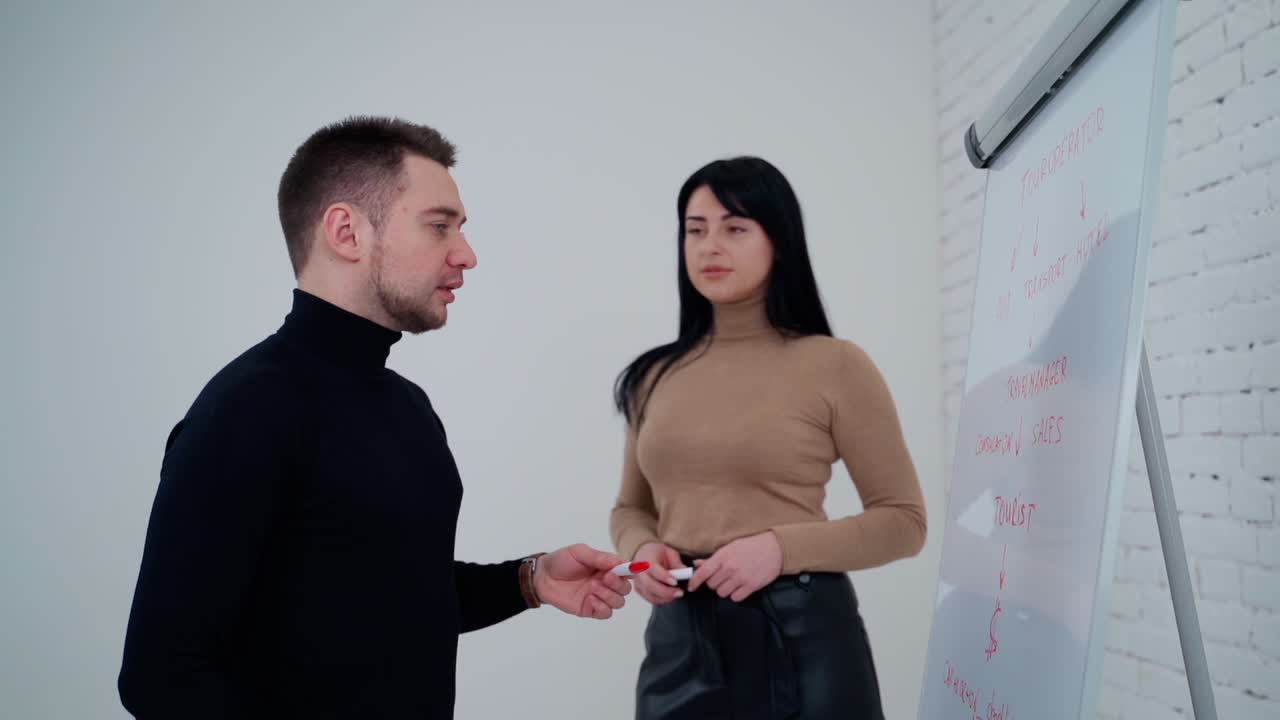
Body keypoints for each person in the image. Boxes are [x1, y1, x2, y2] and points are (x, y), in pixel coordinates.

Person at [118, 116, 636, 720]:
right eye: (439, 226)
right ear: (346, 231)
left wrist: (529, 580)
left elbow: (387, 594)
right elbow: (161, 674)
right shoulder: (247, 409)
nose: (466, 254)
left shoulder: (408, 408)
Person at [609, 156, 928, 719]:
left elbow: (904, 522)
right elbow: (630, 509)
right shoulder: (652, 376)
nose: (710, 246)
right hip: (680, 642)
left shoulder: (835, 366)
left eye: (735, 229)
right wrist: (641, 556)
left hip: (802, 634)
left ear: (778, 241)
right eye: (695, 229)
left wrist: (780, 549)